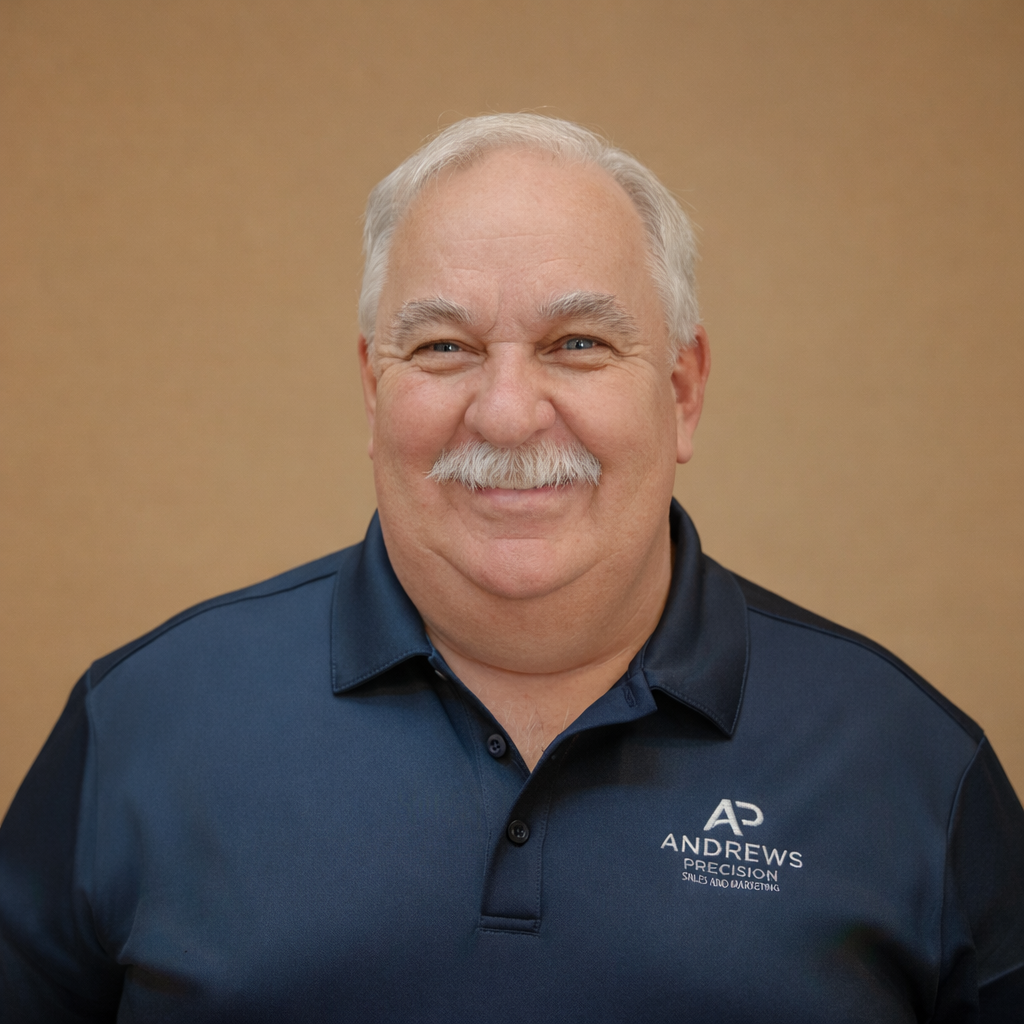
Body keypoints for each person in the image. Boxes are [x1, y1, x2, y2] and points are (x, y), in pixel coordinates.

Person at [1, 114, 1021, 1023]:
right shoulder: (140, 725)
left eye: (577, 343)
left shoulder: (910, 767)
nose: (504, 413)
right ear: (373, 392)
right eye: (443, 348)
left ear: (683, 390)